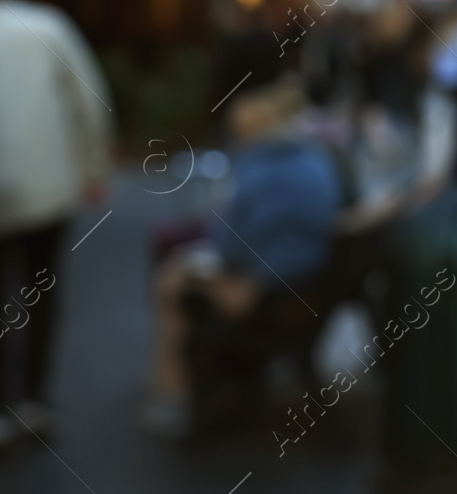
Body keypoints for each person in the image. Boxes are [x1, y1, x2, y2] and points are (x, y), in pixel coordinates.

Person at [0, 0, 113, 451]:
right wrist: (93, 166)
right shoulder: (45, 24)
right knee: (41, 291)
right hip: (47, 181)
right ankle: (34, 396)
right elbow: (89, 97)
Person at [141, 77, 343, 438]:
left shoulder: (256, 173)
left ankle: (172, 394)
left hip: (266, 290)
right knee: (182, 271)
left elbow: (228, 249)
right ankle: (177, 390)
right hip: (309, 280)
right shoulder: (315, 161)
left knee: (172, 278)